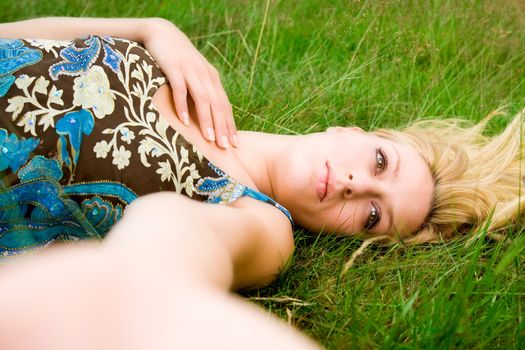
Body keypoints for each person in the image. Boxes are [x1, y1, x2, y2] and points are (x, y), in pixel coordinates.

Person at [0, 16, 522, 349]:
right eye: (379, 163)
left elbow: (172, 240)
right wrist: (147, 27)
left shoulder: (261, 224)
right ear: (352, 131)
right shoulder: (180, 67)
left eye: (371, 215)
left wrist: (129, 287)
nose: (353, 185)